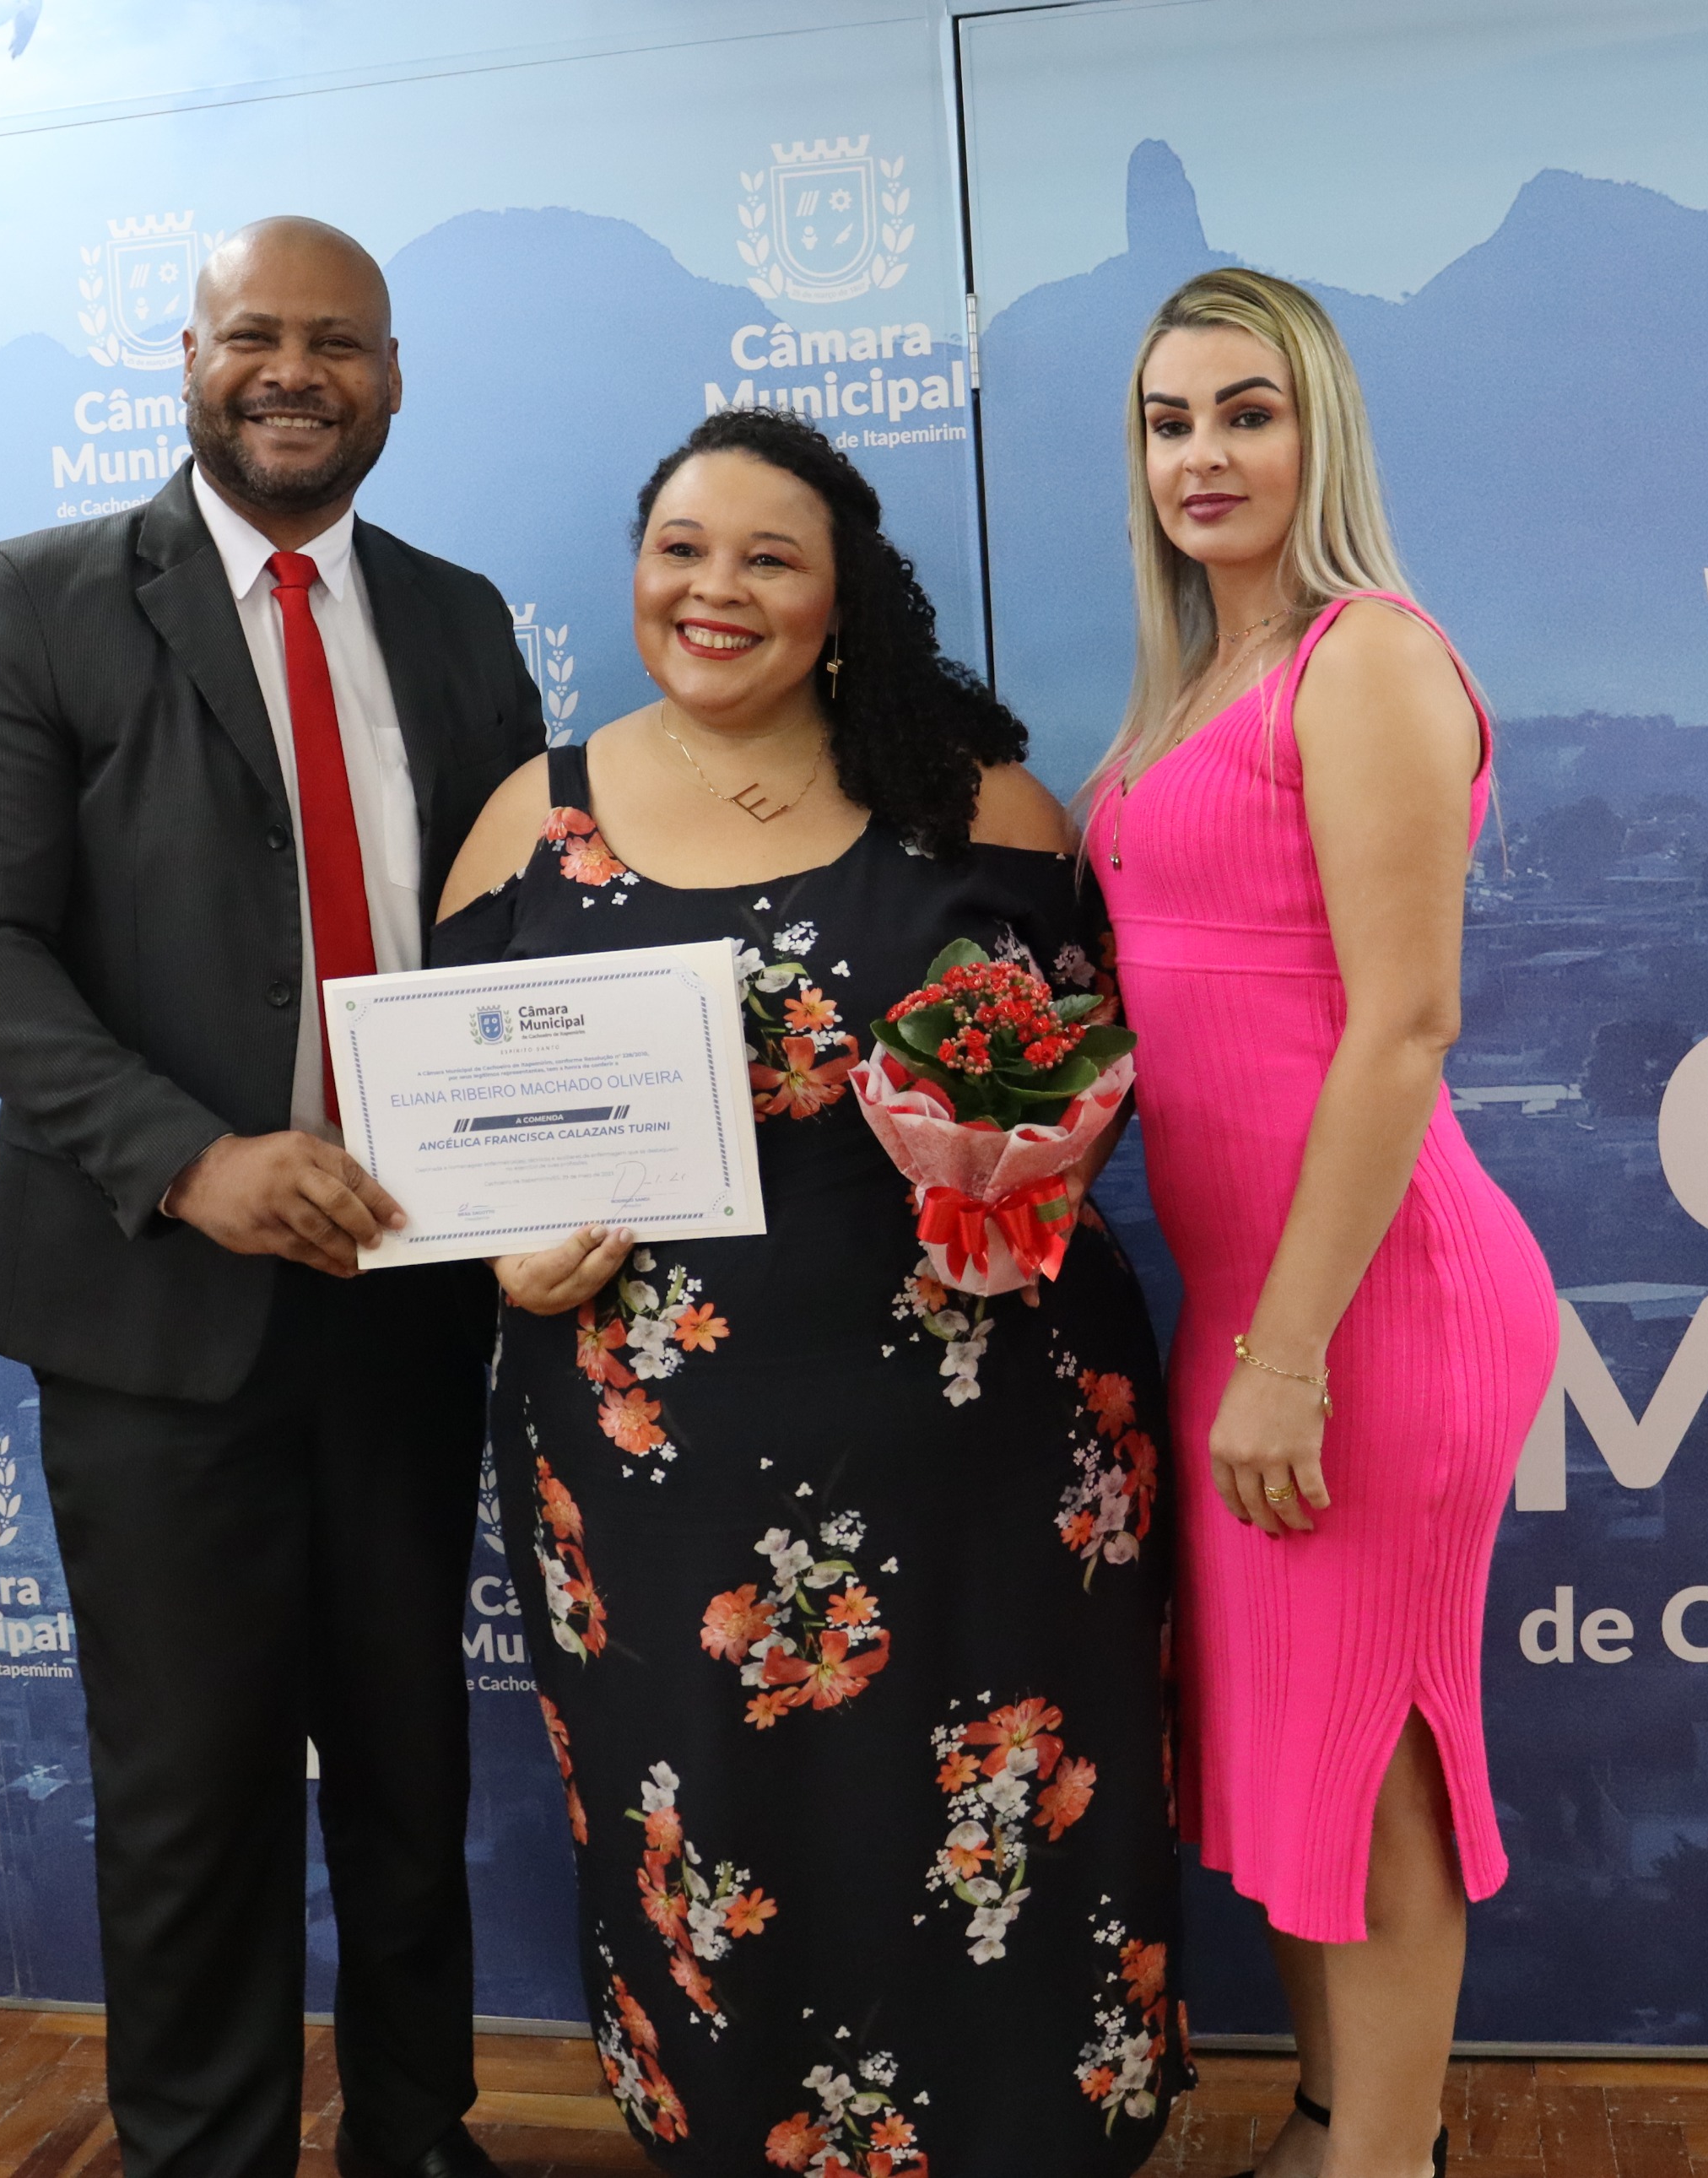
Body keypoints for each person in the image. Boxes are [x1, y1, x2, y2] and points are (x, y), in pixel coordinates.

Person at [429, 407, 1188, 2174]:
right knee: (717, 1817)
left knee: (999, 1817)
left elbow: (1098, 1075)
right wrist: (500, 1245)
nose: (715, 589)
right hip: (654, 1468)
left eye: (769, 558)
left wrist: (1023, 1163)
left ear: (843, 599)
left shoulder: (981, 806)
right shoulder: (530, 821)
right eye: (680, 549)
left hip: (984, 1443)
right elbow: (449, 1123)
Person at [0, 217, 543, 2178]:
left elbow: (525, 937)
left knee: (411, 1771)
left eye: (336, 342)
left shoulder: (459, 619)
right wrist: (193, 1161)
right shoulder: (38, 600)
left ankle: (419, 2138)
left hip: (412, 1293)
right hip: (153, 1312)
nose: (294, 372)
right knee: (192, 1801)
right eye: (253, 334)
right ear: (185, 360)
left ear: (392, 377)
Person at [1079, 269, 1558, 2178]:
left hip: (1374, 1307)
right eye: (1167, 421)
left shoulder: (1364, 658)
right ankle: (1333, 2120)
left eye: (1246, 412)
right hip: (1254, 1311)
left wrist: (1287, 1355)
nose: (1201, 454)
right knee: (1295, 1760)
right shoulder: (1192, 685)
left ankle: (1385, 2162)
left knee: (1375, 1756)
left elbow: (1404, 1024)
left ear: (1321, 433)